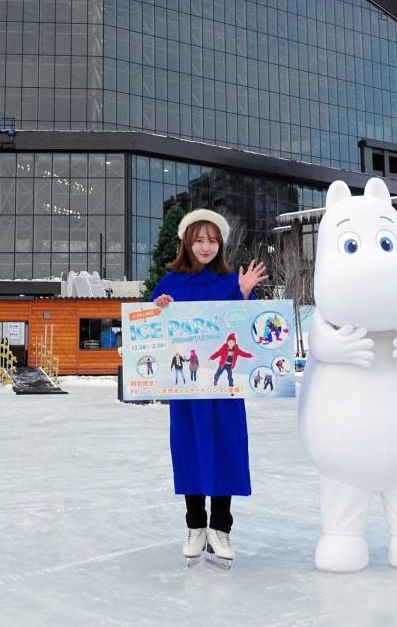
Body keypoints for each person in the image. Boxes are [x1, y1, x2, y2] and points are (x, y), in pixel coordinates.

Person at [150, 208, 268, 567]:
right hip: (187, 393)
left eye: (212, 240)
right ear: (187, 242)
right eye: (199, 240)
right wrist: (158, 308)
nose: (206, 246)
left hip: (223, 393)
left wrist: (244, 294)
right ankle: (195, 526)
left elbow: (248, 330)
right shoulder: (170, 282)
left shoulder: (231, 281)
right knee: (190, 450)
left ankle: (221, 527)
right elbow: (149, 331)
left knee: (225, 450)